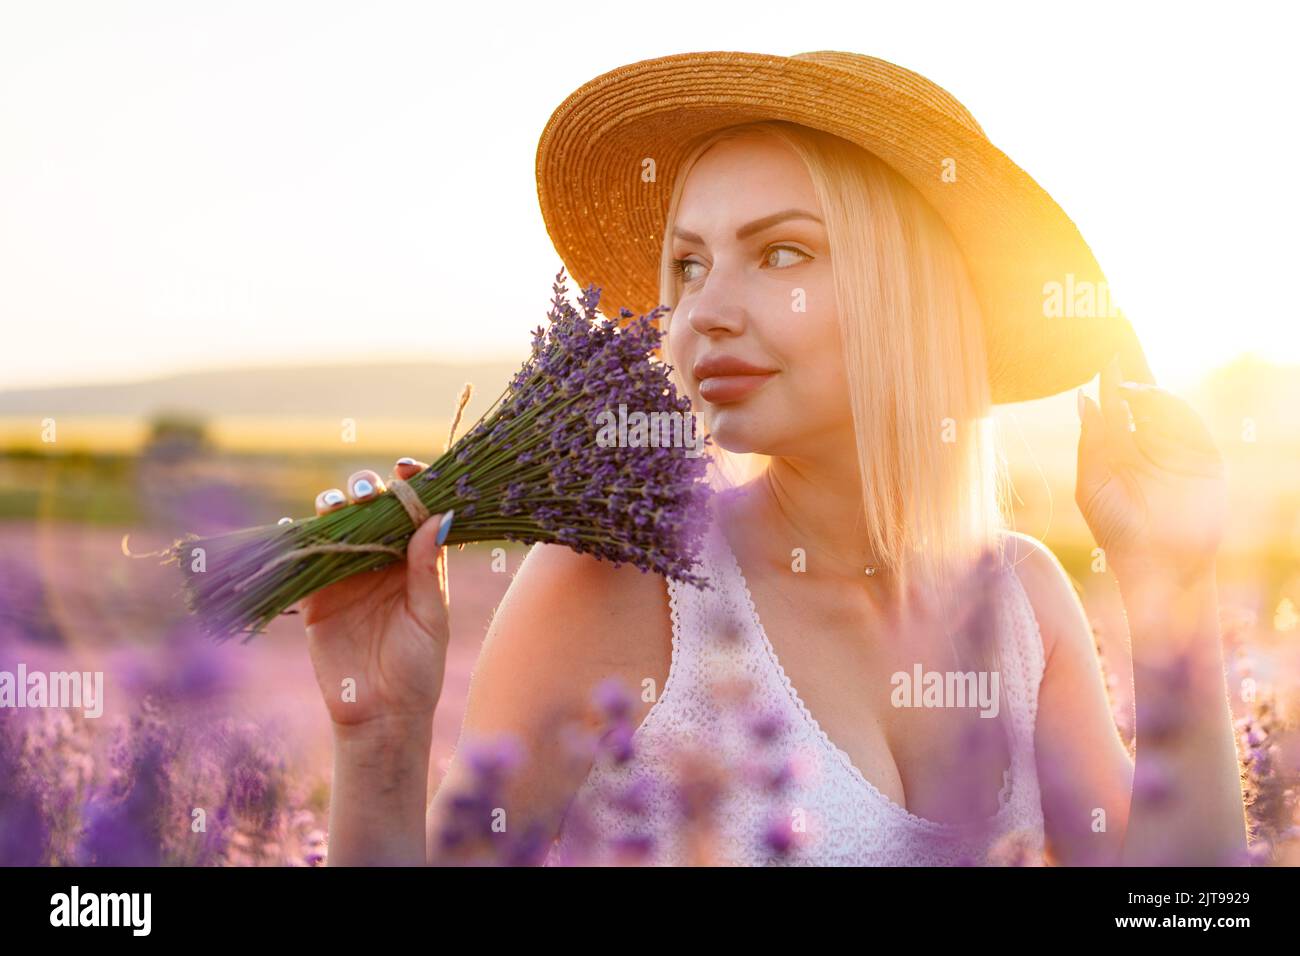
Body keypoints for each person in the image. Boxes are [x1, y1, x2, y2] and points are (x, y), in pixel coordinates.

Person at [304, 51, 1247, 866]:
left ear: (914, 292)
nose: (702, 310)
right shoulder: (623, 588)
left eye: (783, 253)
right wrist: (382, 738)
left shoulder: (1021, 601)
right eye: (687, 265)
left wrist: (1172, 586)